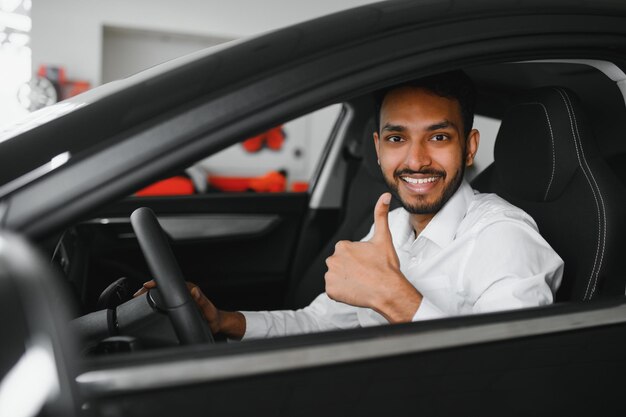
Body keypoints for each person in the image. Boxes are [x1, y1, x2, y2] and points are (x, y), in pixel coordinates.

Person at [138, 71, 564, 340]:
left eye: (438, 137)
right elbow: (318, 322)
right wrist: (223, 321)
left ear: (469, 148)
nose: (416, 160)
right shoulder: (393, 226)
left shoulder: (504, 239)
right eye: (397, 139)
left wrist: (394, 298)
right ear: (377, 149)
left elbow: (508, 377)